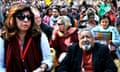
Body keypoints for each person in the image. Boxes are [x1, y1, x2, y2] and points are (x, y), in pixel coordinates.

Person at [0, 4, 53, 72]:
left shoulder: (40, 36)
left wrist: (41, 68)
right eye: (21, 17)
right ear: (13, 19)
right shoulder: (4, 38)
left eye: (29, 17)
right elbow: (0, 65)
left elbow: (48, 59)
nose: (26, 20)